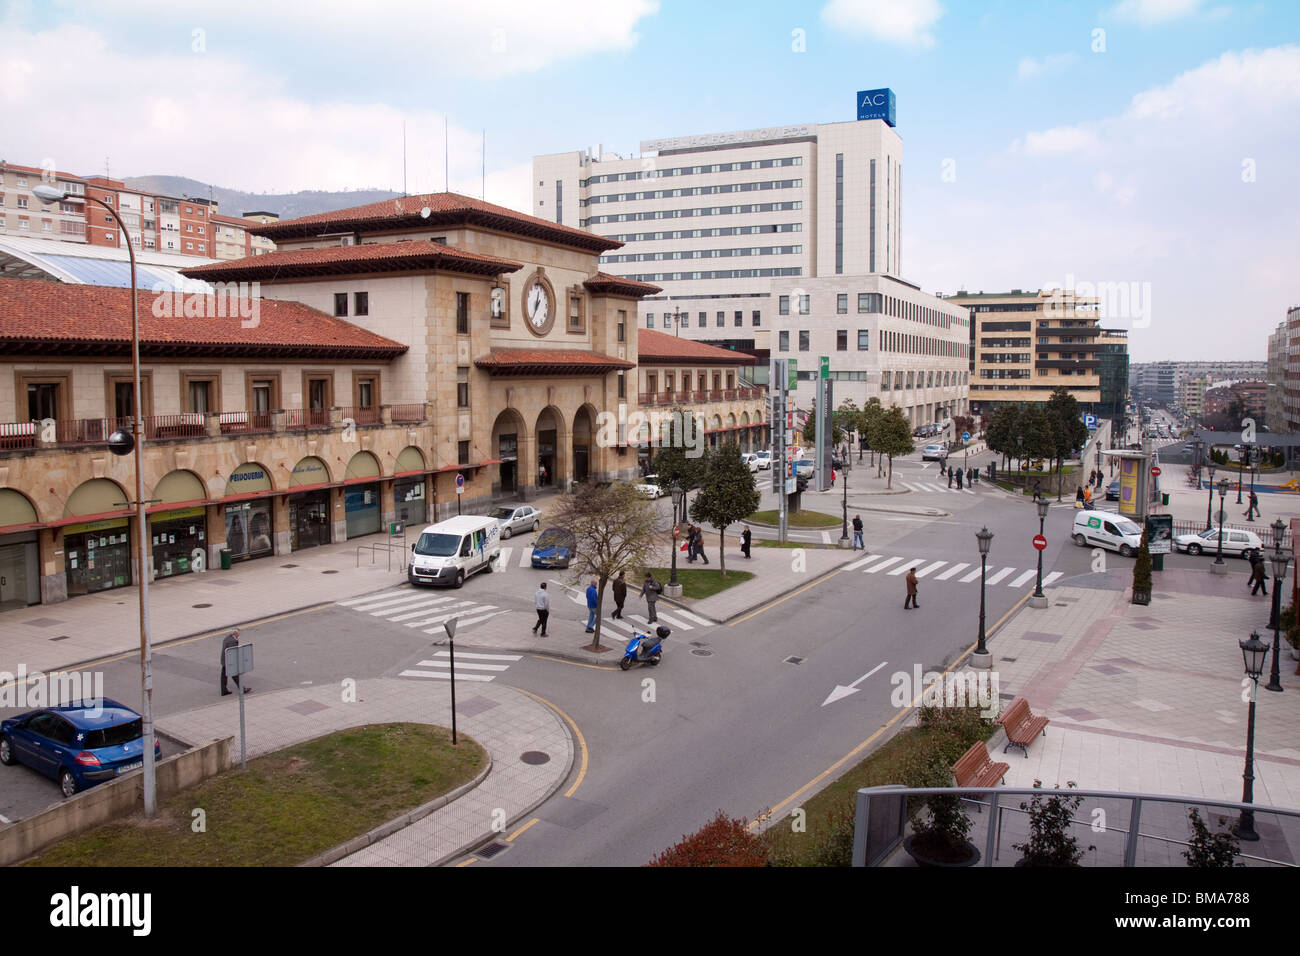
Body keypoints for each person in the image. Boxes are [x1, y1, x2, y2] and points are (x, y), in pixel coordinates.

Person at [220, 628, 247, 696]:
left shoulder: (228, 638)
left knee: (224, 676)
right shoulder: (232, 641)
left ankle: (224, 690)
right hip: (228, 661)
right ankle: (242, 689)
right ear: (235, 633)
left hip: (224, 660)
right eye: (238, 633)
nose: (239, 634)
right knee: (234, 675)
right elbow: (233, 653)